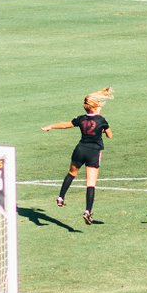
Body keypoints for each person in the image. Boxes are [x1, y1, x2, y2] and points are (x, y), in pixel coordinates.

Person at [41, 88, 114, 225]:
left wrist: (50, 126)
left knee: (71, 173)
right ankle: (87, 211)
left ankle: (61, 197)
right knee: (90, 183)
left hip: (80, 150)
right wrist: (104, 131)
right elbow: (110, 135)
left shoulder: (81, 119)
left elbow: (65, 125)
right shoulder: (102, 120)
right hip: (93, 153)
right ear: (96, 106)